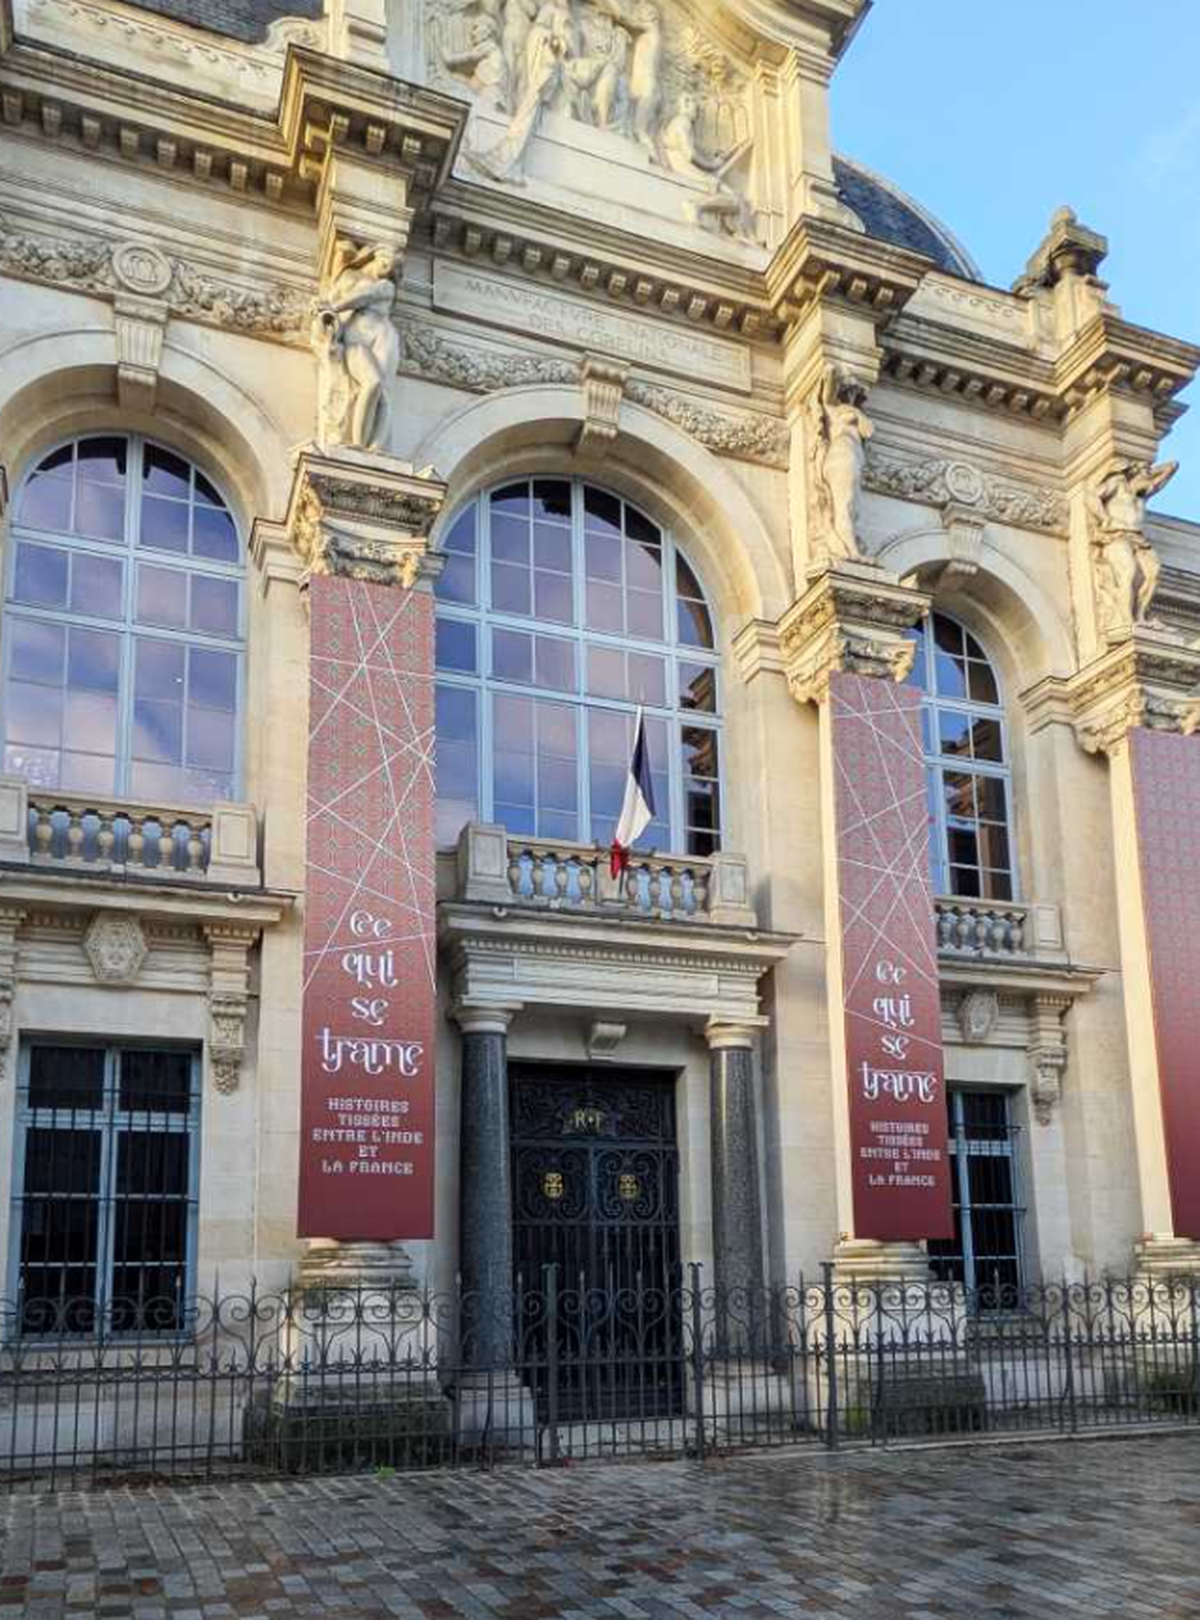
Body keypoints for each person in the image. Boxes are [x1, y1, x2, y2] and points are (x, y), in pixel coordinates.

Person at [313, 243, 400, 452]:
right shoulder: (353, 277)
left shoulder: (386, 286)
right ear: (375, 258)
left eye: (393, 266)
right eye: (385, 261)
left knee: (382, 393)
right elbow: (360, 297)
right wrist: (331, 309)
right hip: (357, 343)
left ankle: (375, 445)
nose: (388, 268)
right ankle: (358, 442)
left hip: (382, 338)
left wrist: (333, 306)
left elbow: (365, 296)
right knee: (372, 383)